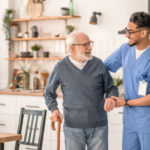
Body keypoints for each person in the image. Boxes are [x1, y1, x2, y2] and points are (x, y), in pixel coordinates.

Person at [44, 31, 118, 150]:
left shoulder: (98, 64)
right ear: (72, 48)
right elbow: (48, 93)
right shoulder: (61, 67)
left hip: (98, 126)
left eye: (90, 44)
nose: (90, 48)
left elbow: (111, 88)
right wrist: (54, 109)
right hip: (72, 128)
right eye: (85, 45)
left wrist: (111, 97)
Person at [104, 12, 150, 150]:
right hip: (130, 121)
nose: (126, 35)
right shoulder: (125, 50)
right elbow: (102, 68)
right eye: (126, 31)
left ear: (143, 33)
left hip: (147, 123)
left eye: (130, 32)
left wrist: (125, 102)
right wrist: (110, 93)